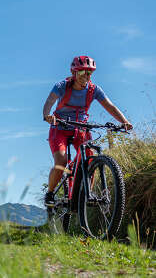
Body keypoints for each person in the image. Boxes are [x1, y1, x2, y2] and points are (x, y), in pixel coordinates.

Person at [43, 56, 132, 206]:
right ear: (74, 72)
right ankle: (50, 193)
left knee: (89, 158)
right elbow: (49, 102)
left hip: (80, 129)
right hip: (59, 128)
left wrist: (124, 121)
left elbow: (110, 107)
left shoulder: (94, 90)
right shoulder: (62, 86)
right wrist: (47, 115)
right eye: (82, 71)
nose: (86, 75)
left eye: (89, 72)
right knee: (61, 161)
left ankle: (85, 194)